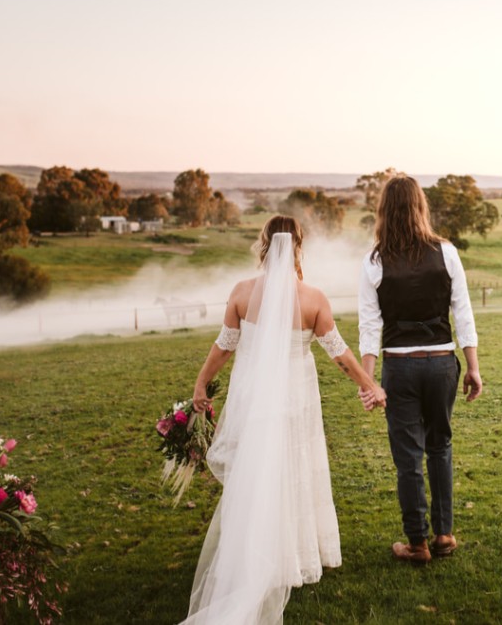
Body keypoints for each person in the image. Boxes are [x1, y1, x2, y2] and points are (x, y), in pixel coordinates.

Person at [183, 215, 386, 625]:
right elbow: (340, 355)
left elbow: (224, 347)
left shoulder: (242, 292)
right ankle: (293, 557)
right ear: (298, 247)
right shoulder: (313, 299)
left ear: (264, 244)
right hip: (296, 397)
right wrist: (370, 385)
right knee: (295, 468)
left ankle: (254, 552)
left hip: (254, 397)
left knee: (258, 470)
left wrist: (201, 383)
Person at [357, 175, 483, 565]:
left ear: (383, 211)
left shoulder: (374, 260)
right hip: (442, 363)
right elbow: (463, 313)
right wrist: (473, 367)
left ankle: (418, 543)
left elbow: (369, 326)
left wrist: (367, 380)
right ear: (420, 207)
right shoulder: (447, 252)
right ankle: (444, 534)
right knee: (440, 446)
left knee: (408, 457)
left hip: (400, 367)